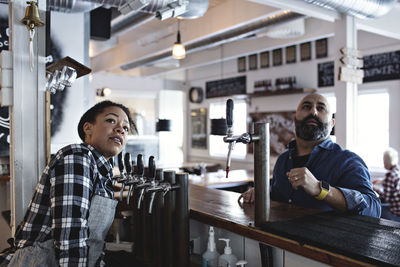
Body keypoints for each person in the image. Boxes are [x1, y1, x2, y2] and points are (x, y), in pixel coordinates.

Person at [0, 100, 137, 267]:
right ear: (88, 128)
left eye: (125, 128)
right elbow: (71, 234)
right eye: (111, 120)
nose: (120, 129)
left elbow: (94, 243)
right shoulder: (77, 157)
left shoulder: (101, 171)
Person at [239, 93, 381, 218]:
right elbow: (278, 194)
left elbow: (373, 210)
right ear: (294, 119)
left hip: (323, 247)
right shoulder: (283, 159)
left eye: (321, 108)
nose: (313, 111)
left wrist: (321, 190)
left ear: (332, 124)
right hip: (280, 242)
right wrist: (262, 192)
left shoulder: (348, 161)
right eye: (306, 107)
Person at [373, 148, 400, 221]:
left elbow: (386, 199)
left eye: (384, 160)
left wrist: (375, 189)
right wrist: (381, 181)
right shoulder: (397, 170)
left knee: (374, 208)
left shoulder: (390, 175)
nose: (383, 163)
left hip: (396, 213)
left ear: (387, 162)